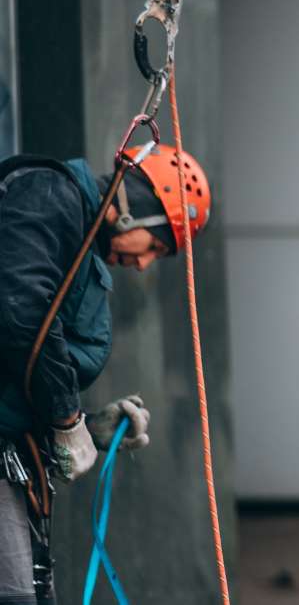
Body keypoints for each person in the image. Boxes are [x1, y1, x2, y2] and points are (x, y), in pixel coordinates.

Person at [0, 146, 211, 603]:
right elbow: (23, 313)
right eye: (155, 246)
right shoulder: (49, 194)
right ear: (134, 209)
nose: (143, 264)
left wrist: (89, 426)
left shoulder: (73, 232)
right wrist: (66, 419)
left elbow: (17, 366)